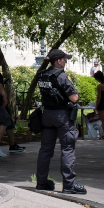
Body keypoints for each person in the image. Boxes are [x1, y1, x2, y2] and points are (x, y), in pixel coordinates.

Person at [35, 49, 86, 195]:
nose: (66, 61)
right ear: (58, 61)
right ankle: (69, 185)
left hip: (47, 115)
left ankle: (41, 182)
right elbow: (74, 98)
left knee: (45, 150)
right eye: (64, 59)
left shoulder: (42, 74)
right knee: (67, 149)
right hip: (62, 116)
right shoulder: (62, 76)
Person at [0, 53, 25, 156]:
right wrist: (4, 95)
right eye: (1, 61)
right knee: (5, 120)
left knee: (7, 120)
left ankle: (12, 144)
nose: (1, 63)